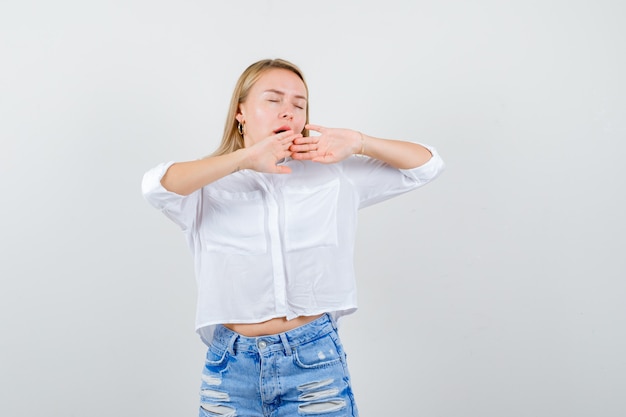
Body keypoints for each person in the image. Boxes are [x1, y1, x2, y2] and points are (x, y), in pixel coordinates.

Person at [142, 58, 444, 417]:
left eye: (298, 104)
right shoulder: (208, 183)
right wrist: (242, 160)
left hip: (313, 363)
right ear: (241, 111)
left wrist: (359, 142)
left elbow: (427, 165)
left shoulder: (333, 175)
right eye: (273, 100)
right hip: (229, 369)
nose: (288, 112)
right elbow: (156, 187)